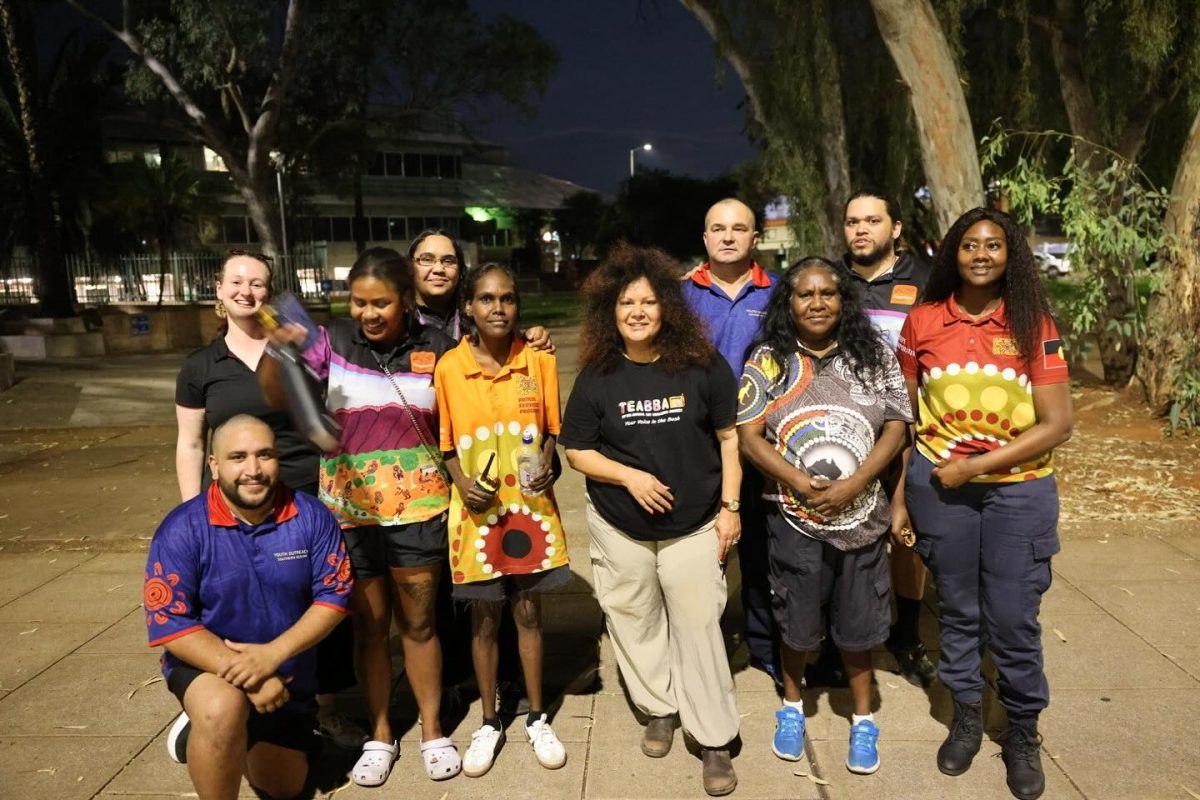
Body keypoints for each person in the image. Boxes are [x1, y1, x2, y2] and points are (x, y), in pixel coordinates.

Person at [265, 247, 459, 786]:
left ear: (406, 302)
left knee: (419, 624)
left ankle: (432, 730)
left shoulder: (438, 348)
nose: (369, 314)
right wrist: (277, 352)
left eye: (381, 304)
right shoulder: (332, 343)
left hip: (420, 509)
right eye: (359, 303)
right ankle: (379, 733)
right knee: (370, 629)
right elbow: (276, 392)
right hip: (350, 515)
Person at [898, 207, 1072, 800]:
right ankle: (967, 714)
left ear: (1009, 255)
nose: (979, 254)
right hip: (939, 490)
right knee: (957, 610)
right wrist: (902, 496)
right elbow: (907, 417)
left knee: (1014, 617)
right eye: (969, 244)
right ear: (952, 253)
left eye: (993, 245)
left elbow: (1057, 424)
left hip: (1017, 493)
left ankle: (1022, 729)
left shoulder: (1033, 322)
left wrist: (974, 466)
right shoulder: (921, 322)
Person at [560, 243, 742, 797]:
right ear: (609, 314)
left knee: (699, 626)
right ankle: (659, 707)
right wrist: (630, 477)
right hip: (620, 527)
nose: (637, 312)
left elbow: (729, 439)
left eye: (647, 302)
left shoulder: (702, 366)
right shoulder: (599, 375)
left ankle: (714, 737)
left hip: (694, 523)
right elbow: (577, 452)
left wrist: (731, 509)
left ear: (667, 308)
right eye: (625, 304)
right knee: (634, 621)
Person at [173, 250, 361, 749]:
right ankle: (229, 691)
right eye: (236, 282)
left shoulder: (296, 348)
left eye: (257, 283)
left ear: (269, 291)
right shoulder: (201, 366)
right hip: (238, 503)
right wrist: (195, 514)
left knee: (323, 600)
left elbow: (337, 413)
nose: (247, 292)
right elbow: (191, 442)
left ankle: (327, 706)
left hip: (308, 495)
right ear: (218, 290)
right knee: (246, 600)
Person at [736, 257, 912, 775]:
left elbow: (898, 427)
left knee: (859, 627)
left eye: (828, 294)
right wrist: (794, 480)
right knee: (797, 622)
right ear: (788, 303)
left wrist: (856, 484)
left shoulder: (873, 354)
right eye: (805, 295)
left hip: (861, 519)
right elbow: (749, 434)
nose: (817, 303)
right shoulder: (768, 358)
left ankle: (863, 719)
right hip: (792, 517)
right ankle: (792, 707)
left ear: (843, 300)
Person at [145, 415, 353, 800]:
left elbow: (334, 598)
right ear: (214, 465)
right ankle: (214, 722)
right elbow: (169, 622)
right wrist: (252, 677)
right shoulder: (181, 528)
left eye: (265, 455)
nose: (253, 470)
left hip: (286, 676)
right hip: (209, 667)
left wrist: (273, 655)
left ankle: (210, 735)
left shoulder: (313, 516)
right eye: (237, 457)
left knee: (286, 786)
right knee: (222, 710)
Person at [434, 262, 570, 777]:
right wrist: (460, 482)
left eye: (508, 299)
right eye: (487, 299)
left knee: (529, 613)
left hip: (529, 510)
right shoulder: (449, 367)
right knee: (484, 618)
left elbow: (551, 428)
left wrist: (547, 462)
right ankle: (489, 720)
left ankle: (537, 716)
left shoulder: (539, 360)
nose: (498, 308)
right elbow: (447, 442)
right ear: (468, 306)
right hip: (476, 512)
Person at [680, 198, 781, 687]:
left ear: (754, 238)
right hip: (697, 445)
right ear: (704, 238)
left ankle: (764, 646)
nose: (727, 236)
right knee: (700, 555)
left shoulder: (779, 294)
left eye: (738, 229)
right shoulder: (679, 296)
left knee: (761, 551)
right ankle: (702, 648)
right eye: (717, 228)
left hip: (763, 442)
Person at [841, 191, 937, 687]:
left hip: (910, 429)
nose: (861, 230)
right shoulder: (832, 280)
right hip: (844, 429)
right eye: (853, 221)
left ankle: (907, 634)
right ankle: (842, 635)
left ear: (895, 228)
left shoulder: (925, 281)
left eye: (873, 220)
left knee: (907, 535)